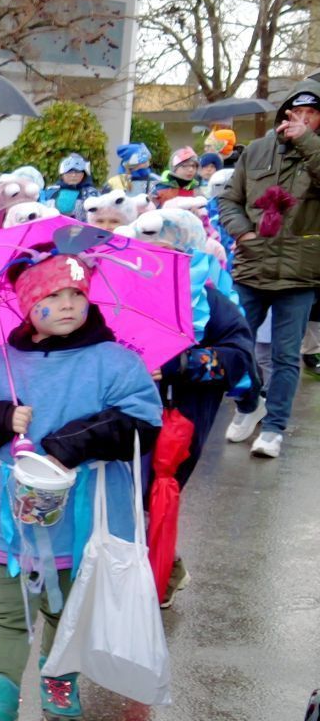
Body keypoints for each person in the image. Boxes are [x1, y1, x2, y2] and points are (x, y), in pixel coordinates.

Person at [0, 247, 162, 721]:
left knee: (66, 607)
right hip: (11, 515)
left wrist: (69, 443)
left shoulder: (116, 362)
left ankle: (60, 682)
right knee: (10, 611)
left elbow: (141, 422)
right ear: (28, 305)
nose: (69, 303)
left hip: (83, 514)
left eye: (77, 292)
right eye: (52, 295)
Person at [126, 204, 255, 601]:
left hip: (180, 414)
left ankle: (164, 569)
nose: (158, 260)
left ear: (189, 252)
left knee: (155, 492)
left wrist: (179, 364)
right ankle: (139, 571)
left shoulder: (210, 301)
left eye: (170, 251)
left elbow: (239, 356)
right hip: (125, 409)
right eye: (149, 251)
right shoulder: (122, 289)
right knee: (123, 492)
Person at [218, 78, 320, 460]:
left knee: (285, 355)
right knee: (234, 345)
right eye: (298, 112)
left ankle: (274, 427)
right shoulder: (258, 150)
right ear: (285, 115)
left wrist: (307, 142)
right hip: (252, 265)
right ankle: (249, 404)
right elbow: (230, 199)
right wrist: (243, 234)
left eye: (312, 114)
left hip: (299, 273)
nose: (303, 119)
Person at [46, 153, 96, 217]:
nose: (73, 175)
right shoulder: (51, 192)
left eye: (78, 172)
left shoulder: (91, 193)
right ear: (62, 175)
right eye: (69, 172)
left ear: (84, 174)